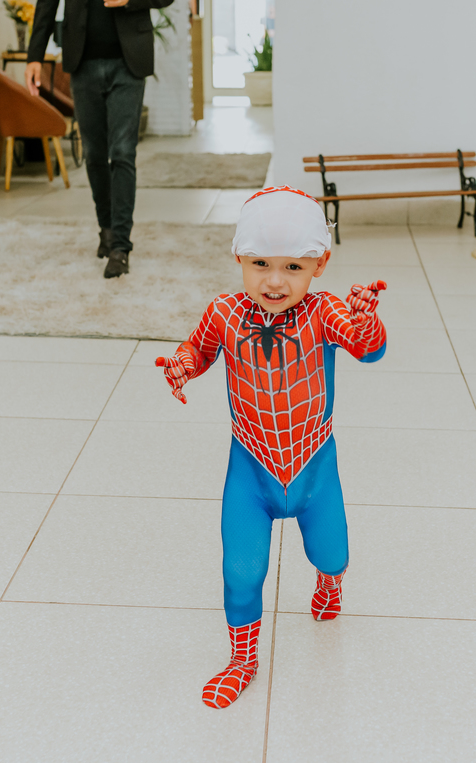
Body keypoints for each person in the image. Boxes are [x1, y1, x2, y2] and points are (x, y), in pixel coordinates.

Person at [154, 187, 388, 708]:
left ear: (319, 265)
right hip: (252, 470)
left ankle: (330, 582)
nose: (275, 281)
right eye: (260, 263)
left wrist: (366, 319)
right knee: (241, 570)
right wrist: (182, 365)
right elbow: (200, 348)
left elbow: (367, 349)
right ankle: (243, 659)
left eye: (293, 267)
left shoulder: (324, 312)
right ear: (238, 257)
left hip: (313, 469)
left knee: (333, 552)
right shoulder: (224, 311)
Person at [25, 0, 174, 279]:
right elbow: (47, 3)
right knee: (93, 153)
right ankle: (106, 229)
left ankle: (120, 246)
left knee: (122, 152)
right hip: (83, 63)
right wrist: (35, 55)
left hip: (128, 62)